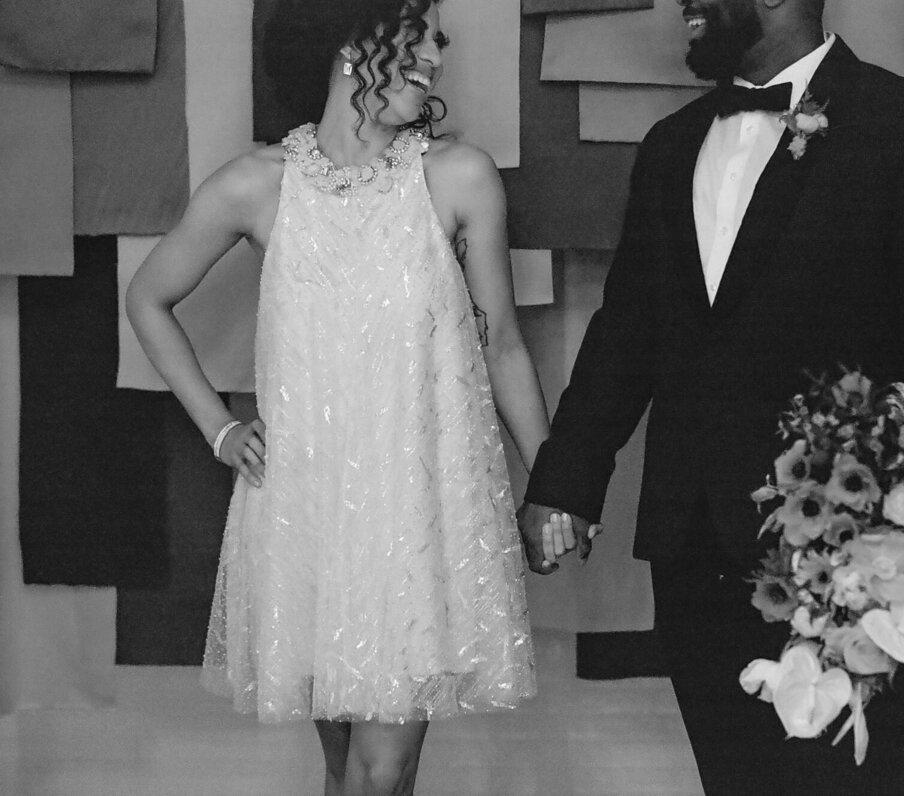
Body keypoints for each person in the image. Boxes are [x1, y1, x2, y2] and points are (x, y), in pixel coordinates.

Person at [519, 0, 904, 793]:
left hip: (848, 559)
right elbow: (628, 327)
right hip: (692, 541)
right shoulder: (670, 146)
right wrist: (565, 479)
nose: (684, 5)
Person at [126, 2, 577, 794]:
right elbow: (148, 298)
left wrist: (556, 482)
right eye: (422, 31)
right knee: (347, 769)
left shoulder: (458, 176)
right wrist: (221, 430)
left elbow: (502, 341)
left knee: (380, 767)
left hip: (421, 517)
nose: (439, 51)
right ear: (350, 36)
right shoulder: (255, 185)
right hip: (308, 516)